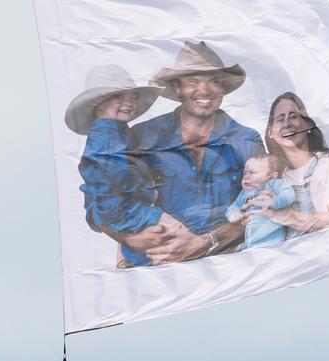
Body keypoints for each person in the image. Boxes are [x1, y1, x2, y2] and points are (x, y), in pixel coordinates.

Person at [91, 41, 265, 266]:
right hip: (154, 275)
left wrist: (203, 243)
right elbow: (100, 203)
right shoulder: (141, 138)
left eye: (214, 81)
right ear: (177, 88)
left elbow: (265, 210)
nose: (204, 90)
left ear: (223, 89)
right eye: (193, 81)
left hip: (228, 271)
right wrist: (131, 240)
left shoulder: (245, 140)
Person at [65, 65, 170, 267]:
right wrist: (147, 219)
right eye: (119, 97)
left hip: (131, 220)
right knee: (183, 234)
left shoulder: (118, 133)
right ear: (98, 104)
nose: (128, 103)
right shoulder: (106, 138)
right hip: (134, 220)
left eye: (132, 97)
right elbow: (111, 199)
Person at [254, 92, 329, 238]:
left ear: (308, 124)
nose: (286, 124)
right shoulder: (275, 178)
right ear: (270, 132)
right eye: (280, 119)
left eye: (293, 116)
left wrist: (289, 217)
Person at [225, 154, 294, 249]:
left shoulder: (275, 184)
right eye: (245, 173)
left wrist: (273, 202)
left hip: (273, 243)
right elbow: (234, 206)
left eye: (252, 172)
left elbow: (288, 195)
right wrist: (233, 214)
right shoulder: (244, 193)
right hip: (250, 244)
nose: (246, 177)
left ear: (271, 177)